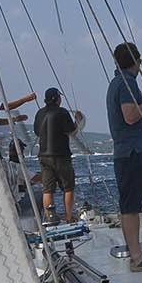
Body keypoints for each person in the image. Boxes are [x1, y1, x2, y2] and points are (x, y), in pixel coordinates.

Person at [106, 43, 142, 272]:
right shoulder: (126, 82)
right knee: (131, 207)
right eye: (140, 62)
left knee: (129, 205)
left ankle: (136, 255)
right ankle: (137, 258)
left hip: (127, 152)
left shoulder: (117, 83)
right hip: (132, 152)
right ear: (136, 61)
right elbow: (130, 116)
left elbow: (131, 118)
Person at [33, 87, 84, 225]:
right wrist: (78, 121)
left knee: (47, 189)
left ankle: (50, 219)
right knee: (68, 188)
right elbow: (72, 132)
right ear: (57, 98)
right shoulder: (62, 112)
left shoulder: (39, 113)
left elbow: (37, 133)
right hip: (60, 155)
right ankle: (69, 217)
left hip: (43, 156)